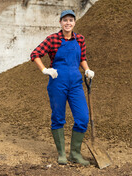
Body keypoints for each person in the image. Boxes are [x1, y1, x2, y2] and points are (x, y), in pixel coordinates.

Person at [30, 9, 95, 166]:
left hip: (76, 84)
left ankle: (75, 153)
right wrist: (45, 70)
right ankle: (61, 154)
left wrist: (87, 69)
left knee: (83, 117)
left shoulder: (80, 39)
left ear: (74, 23)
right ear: (60, 22)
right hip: (57, 82)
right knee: (58, 117)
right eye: (65, 20)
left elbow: (83, 58)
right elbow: (35, 54)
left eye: (71, 20)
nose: (68, 23)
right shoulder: (53, 39)